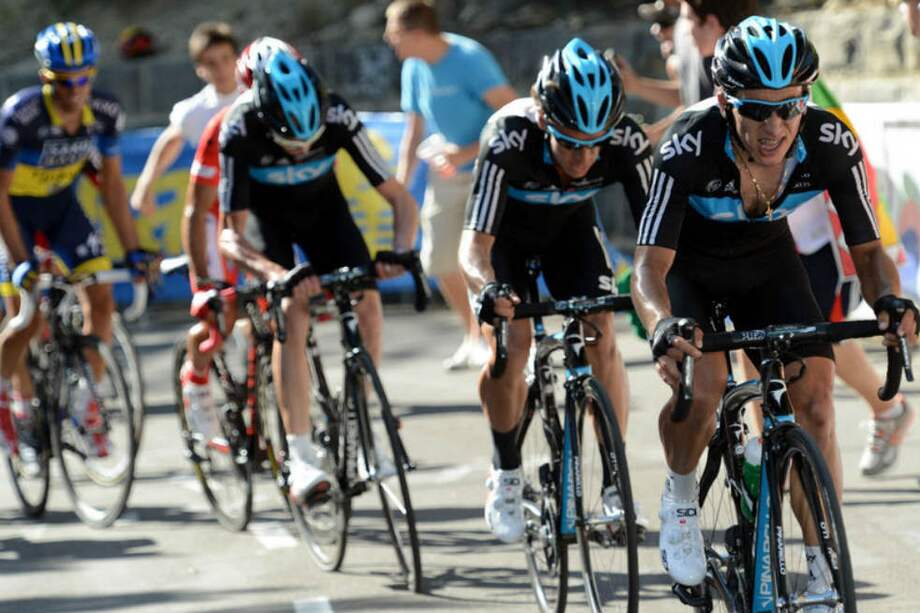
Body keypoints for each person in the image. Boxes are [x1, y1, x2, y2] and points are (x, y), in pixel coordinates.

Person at [630, 16, 918, 596]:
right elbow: (648, 268)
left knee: (815, 406)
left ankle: (821, 569)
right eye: (756, 110)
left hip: (767, 263)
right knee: (703, 388)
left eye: (789, 107)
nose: (775, 125)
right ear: (722, 99)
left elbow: (868, 250)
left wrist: (889, 299)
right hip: (689, 270)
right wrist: (663, 324)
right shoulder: (688, 145)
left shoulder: (830, 140)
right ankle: (681, 502)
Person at [458, 38, 653, 543]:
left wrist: (658, 291)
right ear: (545, 121)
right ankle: (505, 473)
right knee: (512, 344)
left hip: (571, 234)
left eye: (596, 143)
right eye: (571, 144)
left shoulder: (624, 142)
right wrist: (488, 288)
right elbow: (473, 246)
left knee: (599, 334)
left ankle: (615, 484)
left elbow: (661, 237)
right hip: (505, 243)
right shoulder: (508, 136)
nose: (586, 158)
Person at [218, 49, 419, 503]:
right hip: (269, 225)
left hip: (325, 214)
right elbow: (229, 237)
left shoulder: (338, 114)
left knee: (366, 294)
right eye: (292, 144)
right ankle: (301, 455)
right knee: (292, 309)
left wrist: (400, 251)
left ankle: (364, 424)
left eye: (311, 141)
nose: (304, 151)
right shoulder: (240, 127)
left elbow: (400, 200)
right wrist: (277, 273)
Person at [0, 22, 152, 468]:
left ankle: (86, 404)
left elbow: (111, 189)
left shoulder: (105, 111)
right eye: (65, 81)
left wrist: (134, 251)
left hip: (61, 207)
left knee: (101, 299)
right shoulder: (20, 116)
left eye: (84, 77)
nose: (76, 89)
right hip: (13, 213)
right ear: (47, 78)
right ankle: (17, 407)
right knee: (26, 318)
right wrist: (22, 260)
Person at [384, 0, 517, 371]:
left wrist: (467, 152)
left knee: (495, 260)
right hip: (445, 178)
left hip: (489, 173)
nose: (388, 41)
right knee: (440, 260)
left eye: (393, 33)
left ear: (414, 33)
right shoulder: (413, 67)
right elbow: (414, 127)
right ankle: (475, 336)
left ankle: (515, 340)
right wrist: (400, 184)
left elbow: (511, 114)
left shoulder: (470, 58)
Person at [179, 37, 299, 443]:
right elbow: (195, 211)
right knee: (221, 317)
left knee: (277, 312)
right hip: (218, 227)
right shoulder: (222, 126)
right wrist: (201, 282)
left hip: (258, 224)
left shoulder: (295, 117)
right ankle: (196, 382)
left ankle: (265, 410)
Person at [130, 22, 241, 217]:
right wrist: (145, 184)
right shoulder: (194, 110)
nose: (221, 68)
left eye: (226, 58)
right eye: (211, 63)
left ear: (237, 58)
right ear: (200, 69)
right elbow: (171, 140)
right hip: (218, 208)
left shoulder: (258, 95)